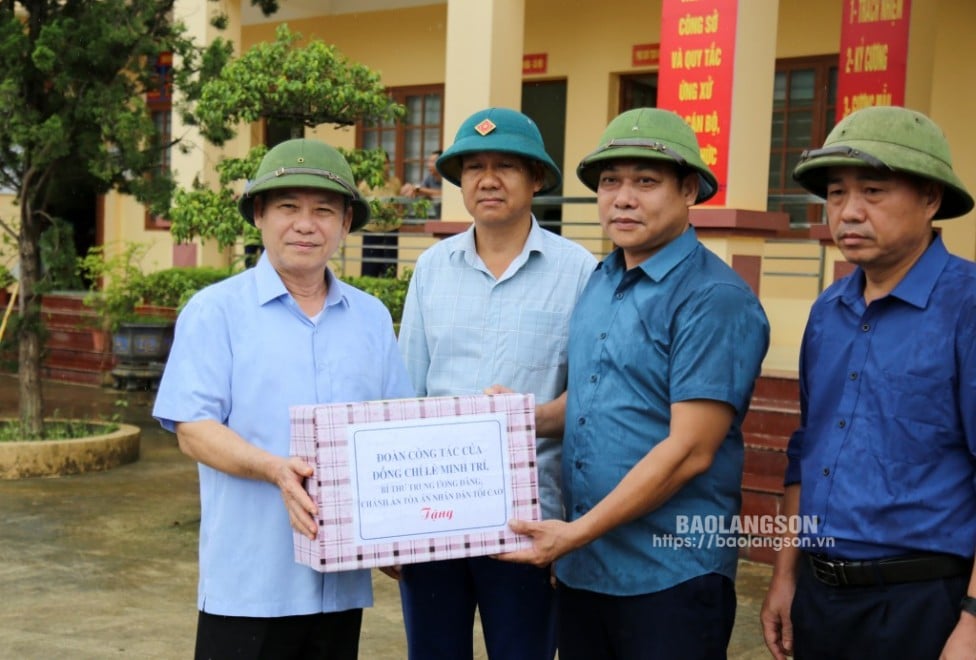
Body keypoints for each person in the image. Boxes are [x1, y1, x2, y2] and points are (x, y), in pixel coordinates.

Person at [498, 107, 770, 659]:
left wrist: (574, 534)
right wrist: (518, 418)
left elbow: (690, 449)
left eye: (645, 181)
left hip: (669, 576)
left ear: (689, 189)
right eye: (609, 182)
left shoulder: (712, 299)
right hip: (586, 572)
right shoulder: (604, 278)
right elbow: (595, 400)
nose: (622, 198)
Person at [152, 138, 412, 660]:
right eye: (288, 207)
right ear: (259, 216)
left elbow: (393, 431)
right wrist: (274, 469)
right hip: (249, 584)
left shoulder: (371, 318)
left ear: (344, 224)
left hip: (339, 582)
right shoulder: (215, 312)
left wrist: (402, 527)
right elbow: (194, 429)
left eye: (323, 210)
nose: (305, 224)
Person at [759, 105, 976, 659]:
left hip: (923, 603)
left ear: (930, 199)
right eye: (835, 194)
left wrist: (973, 621)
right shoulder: (828, 311)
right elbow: (806, 451)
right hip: (821, 598)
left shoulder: (966, 307)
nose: (849, 212)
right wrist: (785, 576)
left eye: (873, 191)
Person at [395, 107, 597, 660]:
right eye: (474, 167)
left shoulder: (580, 271)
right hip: (433, 515)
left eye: (507, 165)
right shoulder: (431, 268)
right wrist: (390, 524)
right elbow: (407, 394)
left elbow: (591, 401)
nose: (488, 179)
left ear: (537, 179)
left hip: (529, 522)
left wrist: (572, 528)